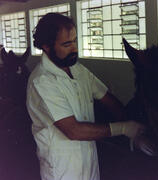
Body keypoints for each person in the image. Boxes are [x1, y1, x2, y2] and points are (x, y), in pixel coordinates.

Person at [26, 13, 145, 180]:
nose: (74, 49)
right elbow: (73, 130)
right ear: (46, 46)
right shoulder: (42, 82)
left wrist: (138, 127)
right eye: (67, 44)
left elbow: (107, 99)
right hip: (62, 169)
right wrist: (124, 128)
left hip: (89, 163)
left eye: (74, 41)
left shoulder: (77, 69)